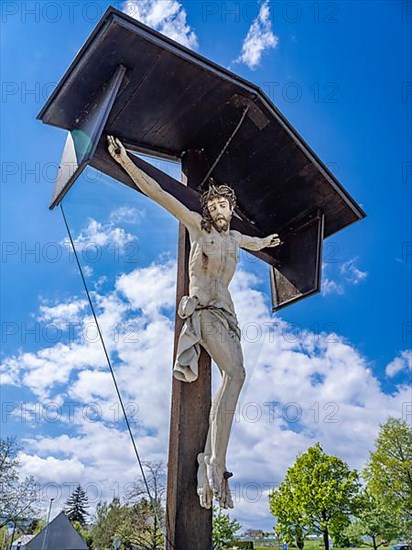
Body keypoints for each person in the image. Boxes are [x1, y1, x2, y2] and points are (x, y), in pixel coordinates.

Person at [107, 135, 281, 508]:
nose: (221, 209)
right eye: (216, 203)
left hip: (227, 313)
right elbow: (158, 192)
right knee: (235, 374)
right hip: (203, 312)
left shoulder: (236, 239)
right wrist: (126, 162)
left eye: (226, 204)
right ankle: (213, 460)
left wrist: (267, 241)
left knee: (237, 376)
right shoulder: (197, 227)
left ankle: (214, 459)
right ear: (208, 208)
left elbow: (257, 243)